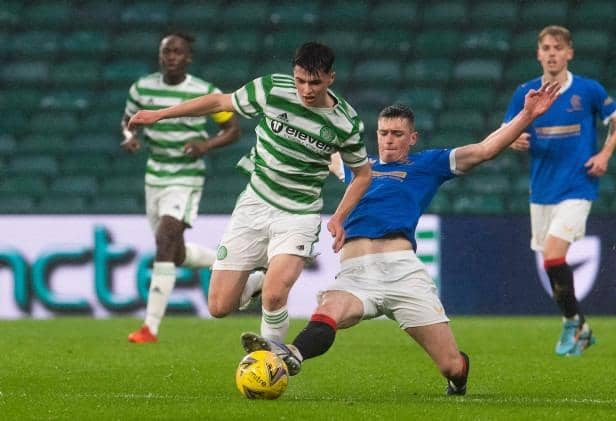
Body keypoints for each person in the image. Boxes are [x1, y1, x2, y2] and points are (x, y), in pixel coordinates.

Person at [240, 82, 560, 395]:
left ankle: (458, 379)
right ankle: (290, 356)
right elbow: (312, 143)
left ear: (412, 137)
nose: (389, 140)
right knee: (329, 310)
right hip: (355, 274)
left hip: (403, 273)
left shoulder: (427, 164)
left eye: (397, 134)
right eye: (383, 133)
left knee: (451, 365)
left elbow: (485, 149)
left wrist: (527, 115)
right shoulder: (359, 167)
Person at [128, 42, 372, 343]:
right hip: (254, 204)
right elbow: (219, 103)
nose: (306, 89)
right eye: (300, 80)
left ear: (330, 78)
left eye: (315, 82)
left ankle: (272, 360)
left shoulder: (346, 123)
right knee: (218, 306)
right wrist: (159, 115)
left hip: (299, 213)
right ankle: (257, 280)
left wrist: (338, 216)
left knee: (274, 295)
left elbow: (362, 174)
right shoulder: (271, 89)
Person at [121, 32, 251, 343]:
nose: (171, 57)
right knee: (173, 253)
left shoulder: (203, 92)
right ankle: (241, 268)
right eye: (166, 52)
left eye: (178, 52)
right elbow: (128, 120)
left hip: (186, 176)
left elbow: (232, 129)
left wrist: (206, 144)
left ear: (188, 57)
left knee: (166, 237)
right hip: (155, 175)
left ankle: (150, 327)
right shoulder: (141, 88)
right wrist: (130, 138)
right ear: (160, 55)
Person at [504, 26, 616, 356]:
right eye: (546, 48)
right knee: (551, 265)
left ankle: (572, 323)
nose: (552, 53)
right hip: (541, 191)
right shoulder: (525, 92)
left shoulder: (589, 90)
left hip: (578, 186)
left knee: (554, 256)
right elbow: (506, 132)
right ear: (538, 54)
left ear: (569, 53)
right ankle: (580, 325)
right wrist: (514, 139)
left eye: (558, 47)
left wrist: (604, 154)